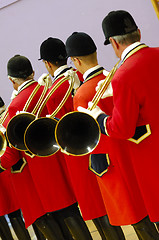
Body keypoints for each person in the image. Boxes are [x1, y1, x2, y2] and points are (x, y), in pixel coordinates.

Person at [77, 11, 159, 239]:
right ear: (139, 33)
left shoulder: (123, 76)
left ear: (113, 42)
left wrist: (98, 116)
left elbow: (121, 129)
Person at [39, 36, 126, 240]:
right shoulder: (82, 75)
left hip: (78, 159)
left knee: (98, 213)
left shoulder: (52, 92)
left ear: (48, 64)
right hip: (102, 150)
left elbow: (59, 134)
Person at [2, 54, 92, 240]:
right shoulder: (47, 90)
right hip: (60, 157)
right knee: (72, 211)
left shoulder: (15, 106)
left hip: (40, 170)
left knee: (60, 218)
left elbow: (13, 151)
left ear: (11, 80)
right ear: (32, 72)